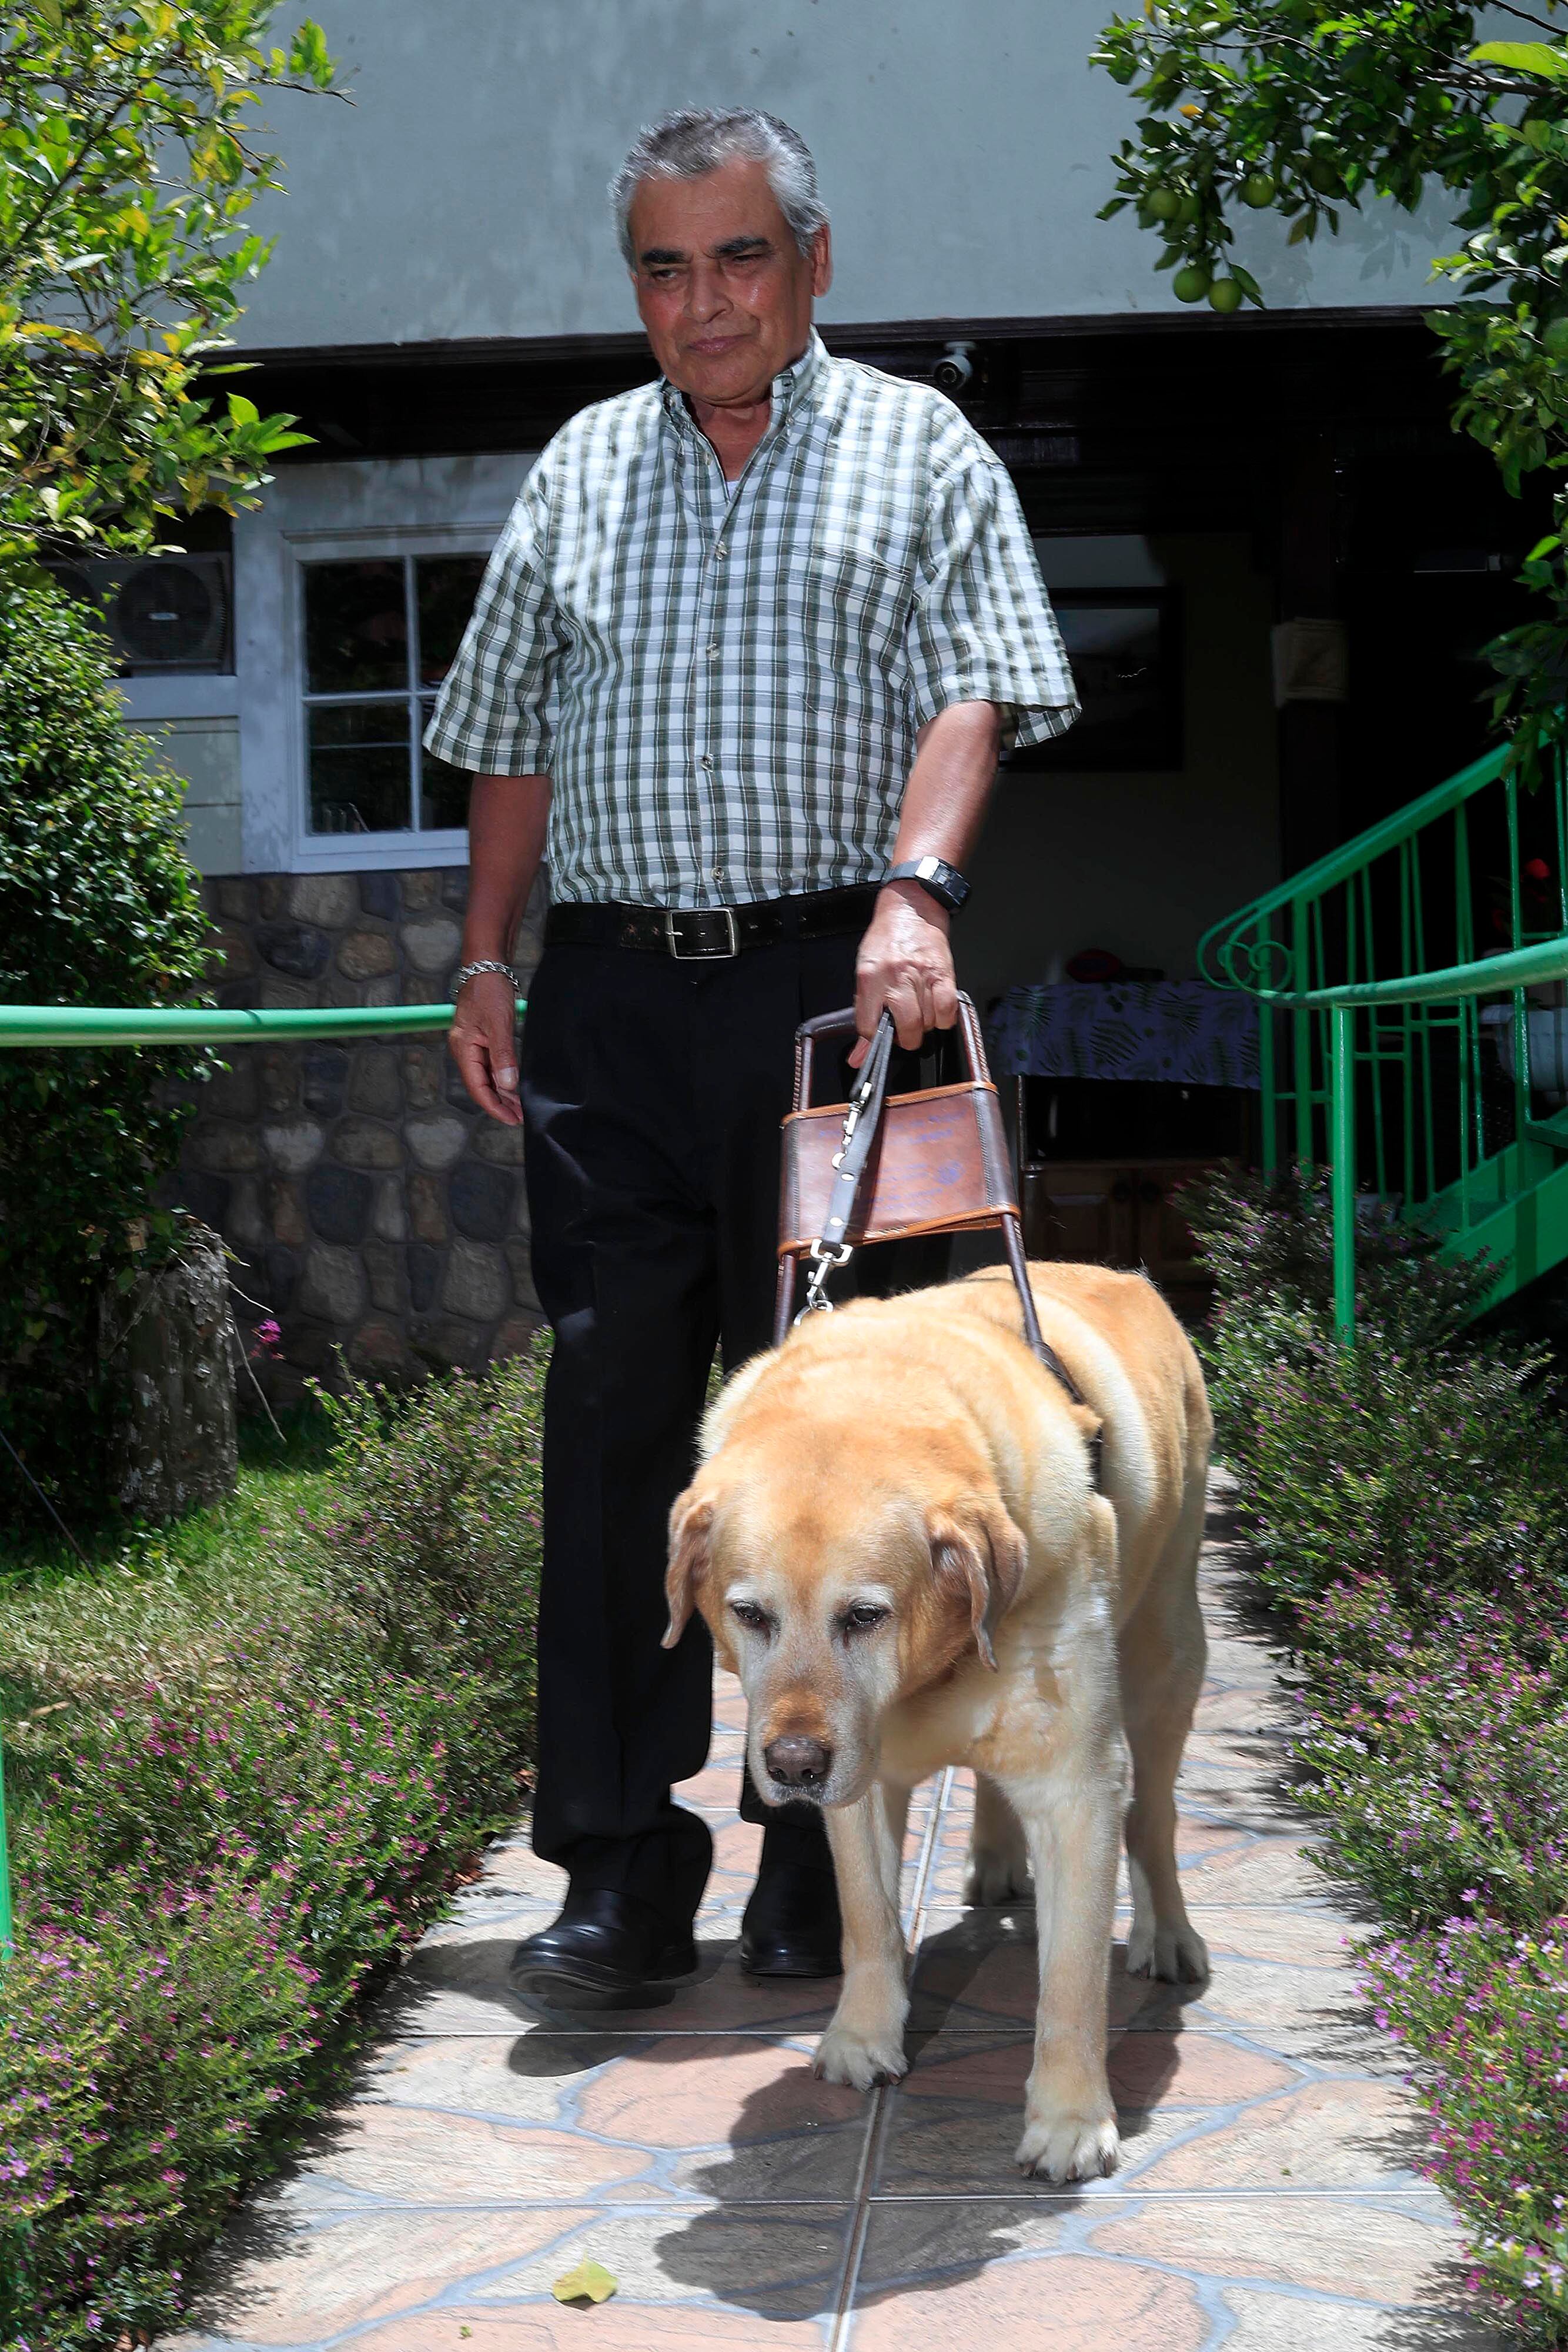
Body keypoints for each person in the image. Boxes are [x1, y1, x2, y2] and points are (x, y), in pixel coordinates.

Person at [424, 106, 1077, 2009]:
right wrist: (486, 956)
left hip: (832, 999)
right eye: (664, 266)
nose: (702, 301)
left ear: (811, 262)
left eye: (736, 258)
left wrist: (914, 893)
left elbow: (976, 685)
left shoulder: (917, 446)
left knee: (837, 1451)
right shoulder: (580, 468)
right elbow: (508, 734)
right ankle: (619, 1867)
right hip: (611, 1003)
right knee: (616, 1428)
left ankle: (822, 1856)